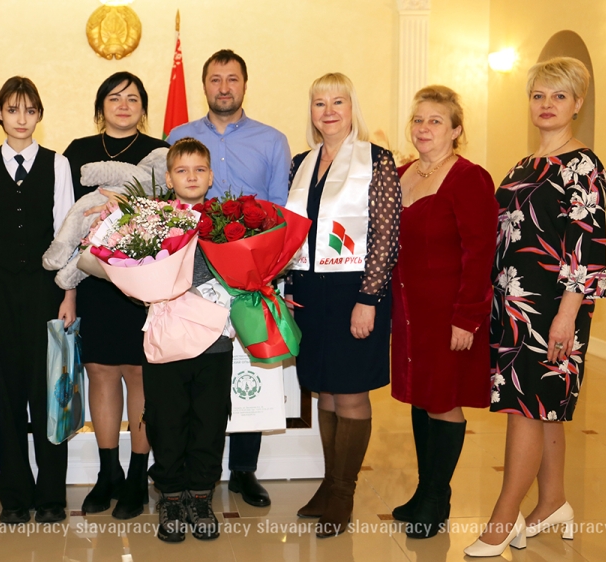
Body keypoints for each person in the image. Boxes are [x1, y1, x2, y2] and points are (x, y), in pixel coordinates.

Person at [465, 57, 606, 557]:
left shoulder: (583, 165)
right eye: (539, 95)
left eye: (559, 96)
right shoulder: (524, 164)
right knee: (543, 409)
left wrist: (567, 316)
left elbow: (587, 245)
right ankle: (553, 502)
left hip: (551, 309)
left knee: (523, 408)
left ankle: (503, 519)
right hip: (513, 305)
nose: (547, 105)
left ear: (578, 103)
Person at [167, 48, 291, 508]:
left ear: (244, 84)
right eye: (215, 79)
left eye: (232, 79)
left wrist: (265, 272)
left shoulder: (272, 140)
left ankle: (243, 470)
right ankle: (191, 471)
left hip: (249, 273)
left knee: (247, 369)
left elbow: (279, 211)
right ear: (204, 85)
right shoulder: (179, 136)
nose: (224, 87)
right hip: (189, 277)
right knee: (202, 378)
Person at [286, 72, 401, 537]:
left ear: (352, 108)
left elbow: (387, 233)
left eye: (338, 101)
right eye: (320, 103)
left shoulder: (377, 160)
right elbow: (292, 231)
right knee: (325, 390)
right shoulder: (301, 163)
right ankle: (329, 482)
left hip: (356, 290)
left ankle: (344, 492)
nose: (329, 111)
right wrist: (288, 286)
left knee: (350, 392)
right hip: (311, 293)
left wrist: (369, 298)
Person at [0, 76, 75, 525]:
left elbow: (68, 234)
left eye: (29, 110)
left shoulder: (58, 164)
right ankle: (14, 496)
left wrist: (69, 293)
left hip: (47, 291)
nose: (21, 119)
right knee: (5, 395)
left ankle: (51, 497)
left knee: (48, 394)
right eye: (12, 110)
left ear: (39, 115)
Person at [389, 85, 497, 539]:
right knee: (421, 397)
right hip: (408, 311)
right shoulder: (402, 174)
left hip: (449, 313)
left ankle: (437, 499)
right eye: (418, 120)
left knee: (444, 401)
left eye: (435, 121)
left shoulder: (470, 178)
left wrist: (466, 317)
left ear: (455, 130)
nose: (424, 128)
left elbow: (480, 252)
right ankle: (424, 490)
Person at [63, 72, 169, 519]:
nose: (123, 105)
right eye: (114, 97)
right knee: (101, 373)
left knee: (139, 375)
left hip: (142, 284)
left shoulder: (160, 152)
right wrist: (67, 291)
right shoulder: (77, 152)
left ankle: (137, 477)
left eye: (133, 98)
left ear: (143, 107)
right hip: (93, 281)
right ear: (100, 106)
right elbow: (63, 221)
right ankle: (108, 473)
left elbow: (172, 216)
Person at [141, 138, 233, 543]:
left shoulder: (229, 223)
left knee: (209, 421)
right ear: (168, 178)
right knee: (167, 420)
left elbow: (245, 270)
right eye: (182, 170)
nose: (191, 177)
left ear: (211, 177)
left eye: (199, 170)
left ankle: (200, 495)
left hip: (214, 340)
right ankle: (172, 496)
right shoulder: (151, 222)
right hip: (166, 339)